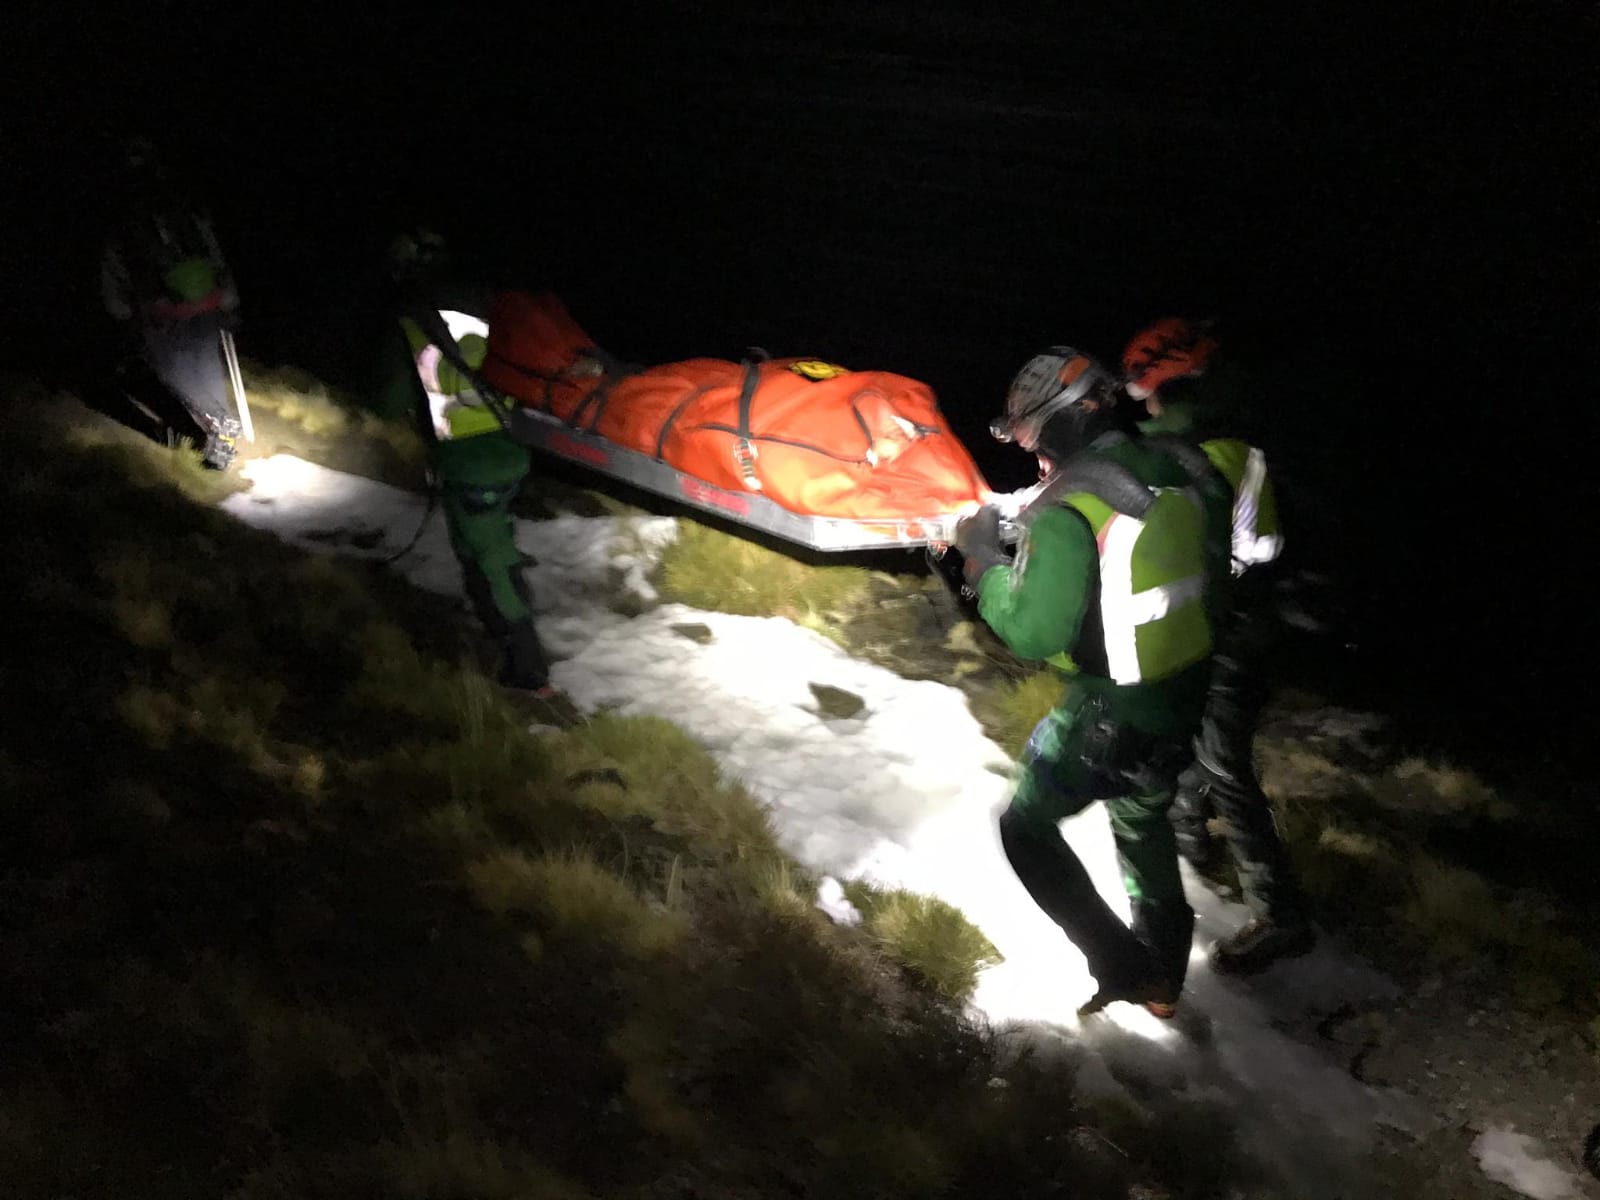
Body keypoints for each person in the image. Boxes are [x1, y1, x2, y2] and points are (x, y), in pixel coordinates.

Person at [954, 347, 1231, 1018]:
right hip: (1183, 699)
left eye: (1030, 440)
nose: (1034, 458)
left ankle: (1124, 969)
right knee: (1142, 820)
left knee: (1026, 830)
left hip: (1110, 715)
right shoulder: (1189, 467)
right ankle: (1165, 976)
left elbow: (1032, 632)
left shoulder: (1068, 503)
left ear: (1061, 423)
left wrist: (982, 561)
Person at [1122, 317, 1316, 973]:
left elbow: (1248, 545)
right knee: (1190, 740)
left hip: (1222, 630)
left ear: (1163, 385)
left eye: (1142, 389)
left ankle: (1282, 915)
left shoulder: (1189, 451)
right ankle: (1187, 847)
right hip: (1226, 623)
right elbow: (1256, 545)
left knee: (1221, 759)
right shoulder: (1228, 448)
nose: (1140, 403)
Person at [374, 230, 556, 697]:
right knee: (483, 541)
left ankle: (528, 670)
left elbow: (389, 402)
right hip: (515, 445)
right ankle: (504, 596)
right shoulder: (490, 304)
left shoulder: (408, 322)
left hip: (468, 461)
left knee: (486, 556)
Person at [99, 135, 243, 469]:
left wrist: (122, 315)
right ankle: (223, 432)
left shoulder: (124, 221)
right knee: (204, 371)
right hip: (205, 308)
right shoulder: (184, 210)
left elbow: (115, 270)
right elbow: (212, 253)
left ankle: (216, 450)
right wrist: (228, 301)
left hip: (164, 317)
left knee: (179, 381)